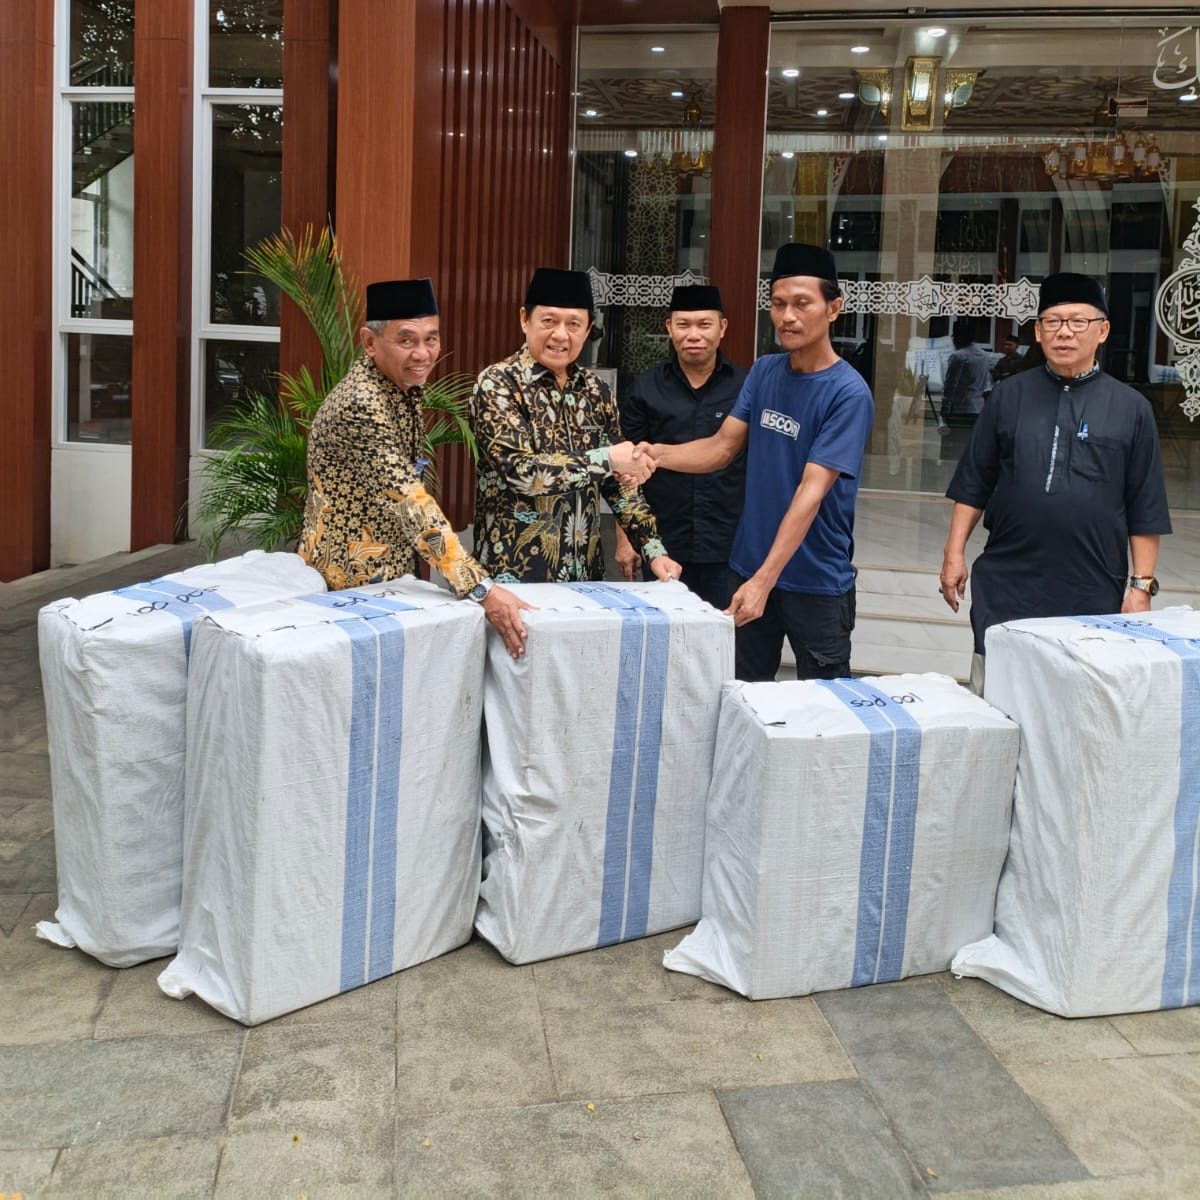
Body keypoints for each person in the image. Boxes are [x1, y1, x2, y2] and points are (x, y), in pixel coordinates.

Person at [637, 243, 875, 682]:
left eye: (802, 304)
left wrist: (765, 580)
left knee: (823, 705)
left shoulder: (848, 393)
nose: (788, 316)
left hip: (815, 582)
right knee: (743, 696)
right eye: (778, 304)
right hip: (747, 569)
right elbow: (721, 448)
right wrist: (655, 454)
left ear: (833, 308)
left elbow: (811, 492)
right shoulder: (765, 372)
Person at [940, 271, 1172, 684]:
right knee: (998, 697)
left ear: (1103, 331)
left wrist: (1140, 588)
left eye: (1078, 321)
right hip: (1008, 584)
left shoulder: (1131, 408)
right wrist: (953, 553)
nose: (1065, 332)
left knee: (1079, 703)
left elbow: (1145, 505)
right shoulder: (1008, 396)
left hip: (1091, 586)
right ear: (1038, 332)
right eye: (1053, 321)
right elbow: (974, 482)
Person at [299, 278, 531, 657]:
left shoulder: (402, 388)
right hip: (348, 586)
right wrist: (481, 588)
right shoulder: (361, 403)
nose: (422, 353)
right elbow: (409, 501)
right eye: (406, 340)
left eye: (431, 339)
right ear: (370, 342)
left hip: (392, 578)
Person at [470, 267, 681, 584]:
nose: (560, 335)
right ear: (525, 319)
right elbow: (521, 472)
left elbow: (619, 484)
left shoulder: (597, 391)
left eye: (573, 324)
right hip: (514, 579)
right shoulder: (498, 384)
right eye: (549, 321)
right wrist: (608, 459)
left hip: (586, 577)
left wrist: (654, 551)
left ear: (588, 330)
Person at [614, 284, 748, 609]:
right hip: (661, 542)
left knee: (723, 630)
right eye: (683, 324)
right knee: (663, 630)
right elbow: (625, 470)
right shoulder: (644, 389)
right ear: (669, 327)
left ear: (722, 327)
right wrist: (626, 539)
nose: (694, 335)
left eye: (704, 324)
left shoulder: (746, 387)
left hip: (727, 542)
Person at [939, 319, 993, 462]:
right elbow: (987, 382)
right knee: (970, 448)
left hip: (959, 410)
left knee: (953, 449)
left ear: (959, 337)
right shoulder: (983, 355)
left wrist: (945, 409)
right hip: (977, 408)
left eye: (954, 337)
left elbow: (950, 386)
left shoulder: (958, 356)